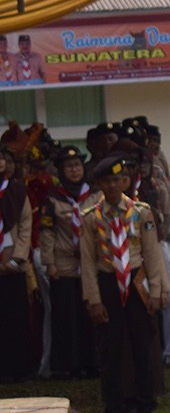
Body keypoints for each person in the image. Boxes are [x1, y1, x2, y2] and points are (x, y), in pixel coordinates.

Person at [79, 155, 168, 413]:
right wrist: (93, 299)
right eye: (107, 180)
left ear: (125, 181)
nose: (113, 185)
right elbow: (88, 261)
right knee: (110, 348)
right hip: (108, 281)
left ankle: (146, 406)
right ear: (99, 184)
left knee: (143, 344)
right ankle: (115, 409)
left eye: (118, 179)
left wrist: (157, 290)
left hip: (136, 278)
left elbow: (153, 253)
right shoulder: (91, 218)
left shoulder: (142, 213)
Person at [39, 145, 97, 380]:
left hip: (91, 262)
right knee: (67, 314)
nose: (74, 170)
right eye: (68, 167)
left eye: (77, 165)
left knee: (90, 313)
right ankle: (68, 365)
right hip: (64, 263)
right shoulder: (53, 198)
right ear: (61, 170)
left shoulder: (95, 195)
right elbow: (47, 233)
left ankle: (92, 362)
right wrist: (49, 262)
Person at [0, 143, 34, 383]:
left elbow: (25, 225)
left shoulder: (16, 189)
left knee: (15, 318)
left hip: (12, 261)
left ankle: (19, 369)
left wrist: (17, 258)